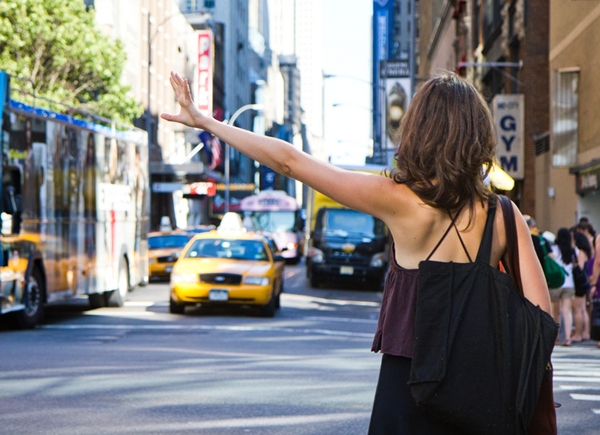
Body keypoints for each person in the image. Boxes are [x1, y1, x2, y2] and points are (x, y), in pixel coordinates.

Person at [161, 71, 551, 433]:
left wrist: (207, 122)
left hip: (408, 385)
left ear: (419, 130)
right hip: (480, 388)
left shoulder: (398, 200)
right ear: (477, 135)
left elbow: (290, 161)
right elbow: (541, 316)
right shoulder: (504, 214)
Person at [549, 228, 577, 346]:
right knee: (567, 311)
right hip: (569, 283)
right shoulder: (573, 251)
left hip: (557, 283)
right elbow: (577, 266)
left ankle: (555, 338)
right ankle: (568, 338)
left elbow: (550, 259)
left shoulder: (554, 249)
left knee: (555, 311)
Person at [572, 231, 592, 342]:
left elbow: (579, 267)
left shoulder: (580, 252)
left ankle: (579, 334)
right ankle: (585, 332)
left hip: (579, 284)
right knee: (583, 309)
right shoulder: (586, 252)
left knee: (578, 309)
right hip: (584, 283)